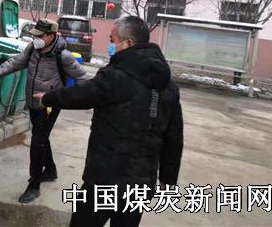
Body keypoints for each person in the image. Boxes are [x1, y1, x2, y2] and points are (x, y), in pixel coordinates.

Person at [34, 16, 184, 227]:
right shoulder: (169, 86)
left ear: (129, 43)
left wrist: (47, 98)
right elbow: (173, 136)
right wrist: (168, 178)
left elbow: (81, 95)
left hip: (104, 178)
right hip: (141, 183)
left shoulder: (115, 76)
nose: (110, 45)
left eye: (113, 40)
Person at [0, 19, 87, 203]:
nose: (35, 39)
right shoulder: (33, 49)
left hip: (50, 106)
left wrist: (67, 97)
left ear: (51, 36)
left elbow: (83, 78)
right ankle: (50, 170)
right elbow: (15, 62)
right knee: (41, 137)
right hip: (33, 103)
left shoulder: (63, 56)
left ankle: (34, 186)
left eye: (39, 36)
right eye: (34, 35)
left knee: (37, 142)